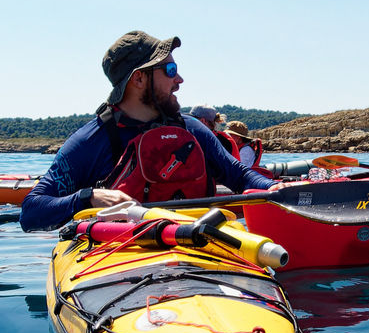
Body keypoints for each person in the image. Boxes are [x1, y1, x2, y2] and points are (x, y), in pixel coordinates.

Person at [20, 31, 277, 232]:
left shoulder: (192, 130)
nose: (179, 80)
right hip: (122, 259)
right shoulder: (91, 142)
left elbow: (240, 176)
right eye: (170, 70)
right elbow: (31, 213)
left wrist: (275, 188)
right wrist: (88, 197)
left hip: (198, 246)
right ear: (139, 79)